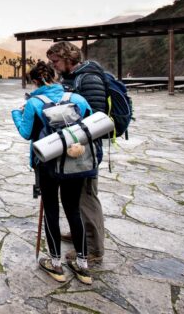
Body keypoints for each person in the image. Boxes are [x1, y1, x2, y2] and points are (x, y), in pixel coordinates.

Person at [12, 61, 93, 285]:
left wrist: (15, 114)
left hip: (46, 163)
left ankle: (55, 264)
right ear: (55, 77)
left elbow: (26, 133)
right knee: (74, 210)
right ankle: (83, 266)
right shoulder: (77, 99)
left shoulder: (34, 103)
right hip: (76, 163)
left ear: (35, 81)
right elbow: (89, 125)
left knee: (50, 210)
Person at [46, 41, 106, 265]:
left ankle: (93, 249)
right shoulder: (71, 78)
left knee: (86, 197)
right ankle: (78, 231)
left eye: (56, 61)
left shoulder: (89, 79)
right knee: (75, 196)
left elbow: (97, 119)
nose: (54, 66)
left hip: (86, 148)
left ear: (68, 58)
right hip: (73, 145)